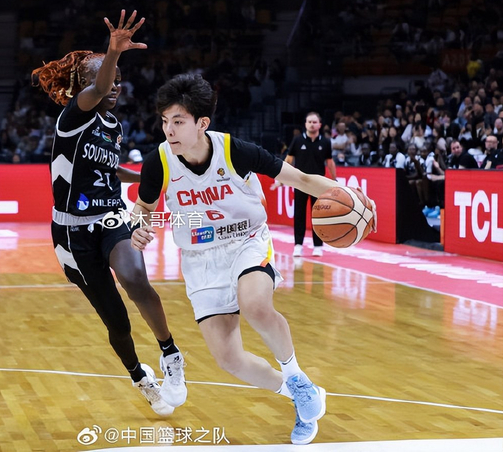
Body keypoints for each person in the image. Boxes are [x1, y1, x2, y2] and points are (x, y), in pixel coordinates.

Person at [131, 73, 375, 445]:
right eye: (165, 121)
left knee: (255, 305)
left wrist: (355, 197)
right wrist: (138, 226)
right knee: (229, 360)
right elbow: (143, 208)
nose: (169, 130)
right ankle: (301, 394)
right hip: (199, 258)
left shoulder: (235, 151)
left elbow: (303, 180)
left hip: (246, 241)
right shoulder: (159, 161)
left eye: (178, 121)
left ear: (202, 123)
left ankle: (295, 374)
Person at [31, 10, 186, 416]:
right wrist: (113, 51)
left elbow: (111, 168)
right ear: (84, 87)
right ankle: (139, 375)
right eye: (107, 81)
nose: (114, 86)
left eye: (118, 81)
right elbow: (98, 86)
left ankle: (171, 353)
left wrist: (151, 175)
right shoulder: (73, 117)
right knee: (117, 321)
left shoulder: (112, 125)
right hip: (71, 235)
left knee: (134, 278)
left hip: (111, 217)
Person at [283, 112, 336, 257]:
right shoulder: (298, 140)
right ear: (305, 124)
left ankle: (318, 246)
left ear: (320, 124)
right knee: (299, 214)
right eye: (309, 122)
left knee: (318, 215)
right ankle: (298, 245)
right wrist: (282, 178)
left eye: (314, 122)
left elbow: (330, 162)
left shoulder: (325, 142)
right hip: (300, 182)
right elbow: (288, 159)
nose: (312, 124)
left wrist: (334, 179)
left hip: (318, 185)